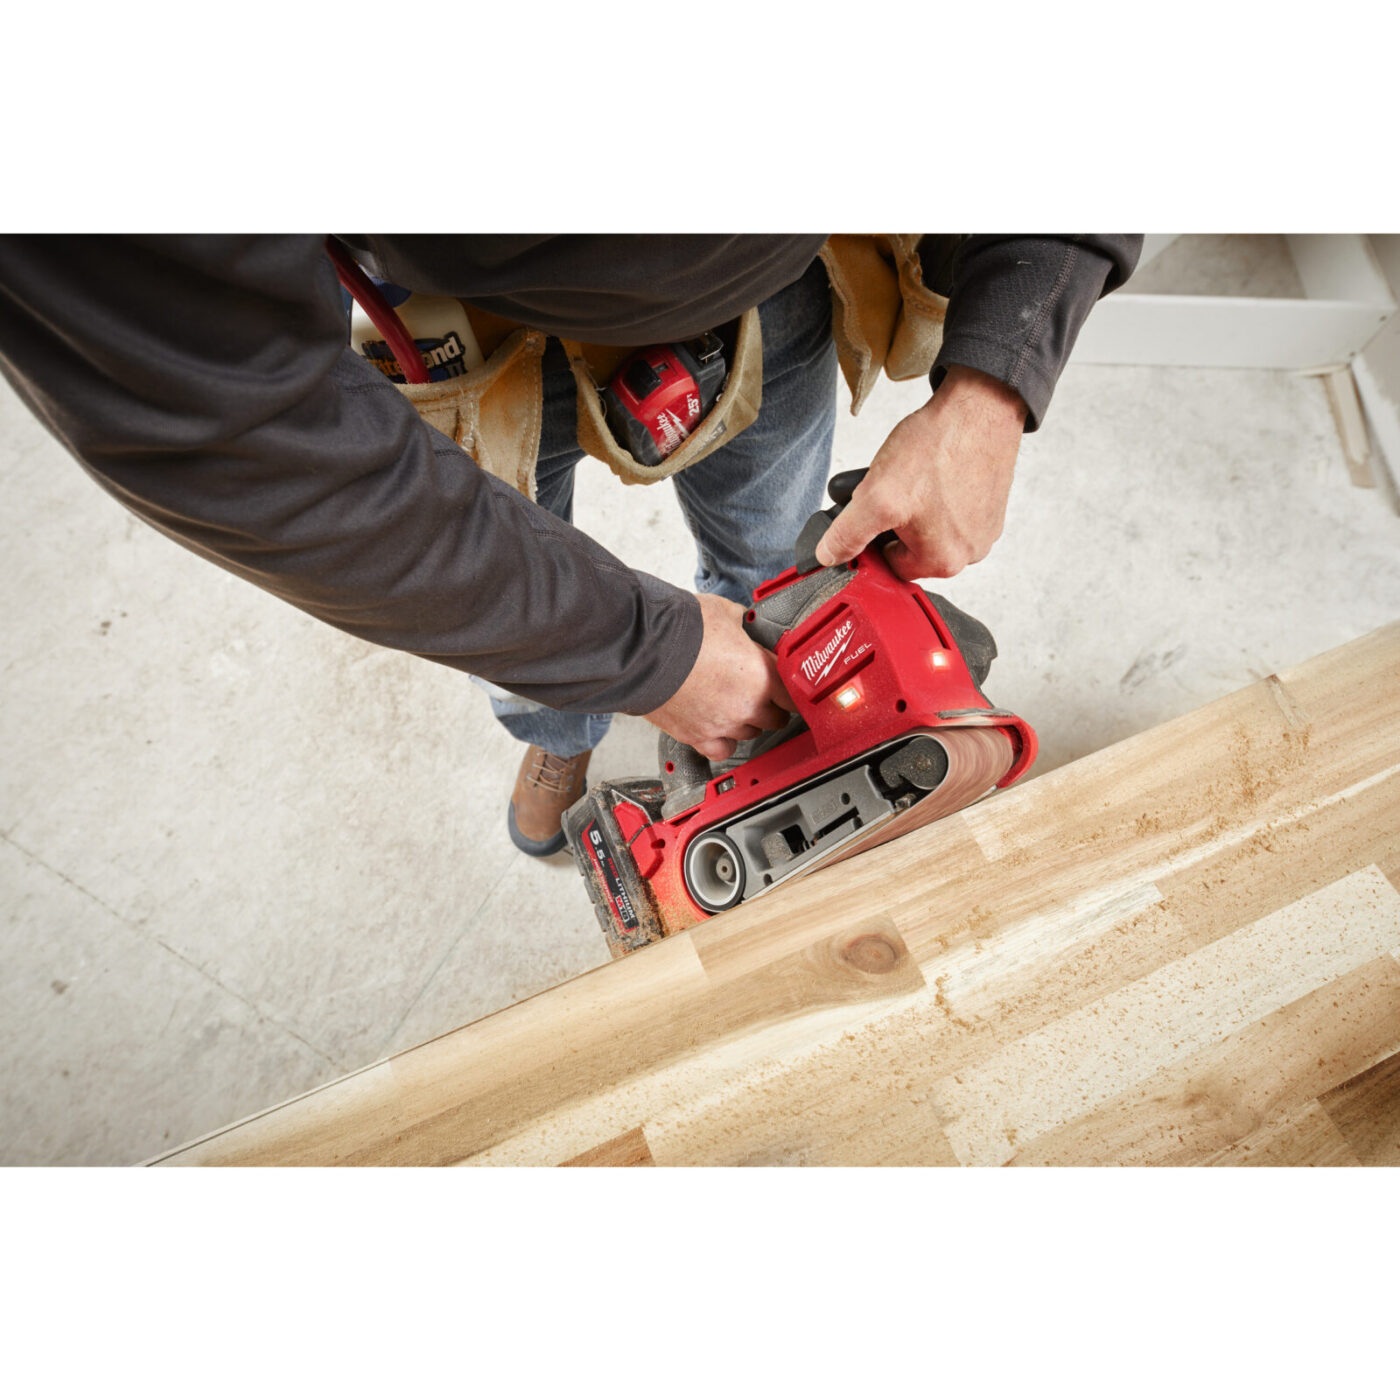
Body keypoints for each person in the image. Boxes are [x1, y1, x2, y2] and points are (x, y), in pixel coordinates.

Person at [0, 234, 1141, 856]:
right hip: (451, 318)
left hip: (763, 280)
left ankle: (753, 736)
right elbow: (233, 425)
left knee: (774, 571)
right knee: (530, 625)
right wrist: (639, 653)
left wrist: (999, 368)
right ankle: (563, 740)